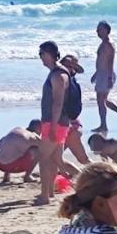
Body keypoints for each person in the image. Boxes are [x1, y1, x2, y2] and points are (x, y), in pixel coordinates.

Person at [35, 40, 71, 206]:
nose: (40, 57)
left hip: (55, 122)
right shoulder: (57, 73)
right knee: (54, 158)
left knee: (43, 157)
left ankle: (44, 196)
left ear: (49, 54)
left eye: (41, 54)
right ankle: (49, 192)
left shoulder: (58, 75)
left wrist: (54, 126)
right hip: (56, 122)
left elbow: (58, 102)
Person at [90, 21, 117, 132]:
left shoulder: (108, 43)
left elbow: (110, 61)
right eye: (97, 29)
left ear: (107, 30)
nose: (98, 31)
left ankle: (103, 125)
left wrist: (109, 78)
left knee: (100, 100)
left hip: (106, 74)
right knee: (104, 100)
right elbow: (102, 60)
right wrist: (96, 73)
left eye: (100, 29)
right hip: (102, 73)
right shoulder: (103, 43)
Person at [59, 54, 92, 166]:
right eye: (64, 65)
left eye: (68, 66)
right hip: (72, 125)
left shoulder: (68, 83)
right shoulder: (70, 82)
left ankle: (102, 174)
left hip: (69, 126)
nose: (65, 68)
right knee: (82, 159)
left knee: (52, 157)